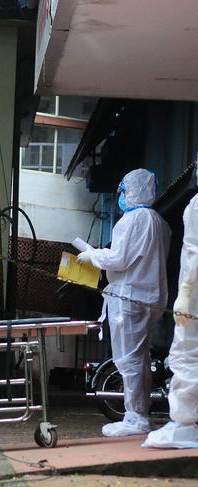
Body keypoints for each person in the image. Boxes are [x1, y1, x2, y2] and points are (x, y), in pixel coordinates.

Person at [77, 168, 171, 437]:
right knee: (139, 358)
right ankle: (139, 414)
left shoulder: (133, 220)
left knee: (128, 359)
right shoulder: (159, 223)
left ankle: (136, 418)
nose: (121, 196)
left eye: (124, 191)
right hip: (149, 298)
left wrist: (93, 255)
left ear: (134, 190)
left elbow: (119, 259)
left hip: (129, 298)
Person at [143, 179, 198, 449]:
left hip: (195, 299)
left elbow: (193, 252)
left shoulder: (197, 207)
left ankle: (186, 425)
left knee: (187, 355)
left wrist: (187, 290)